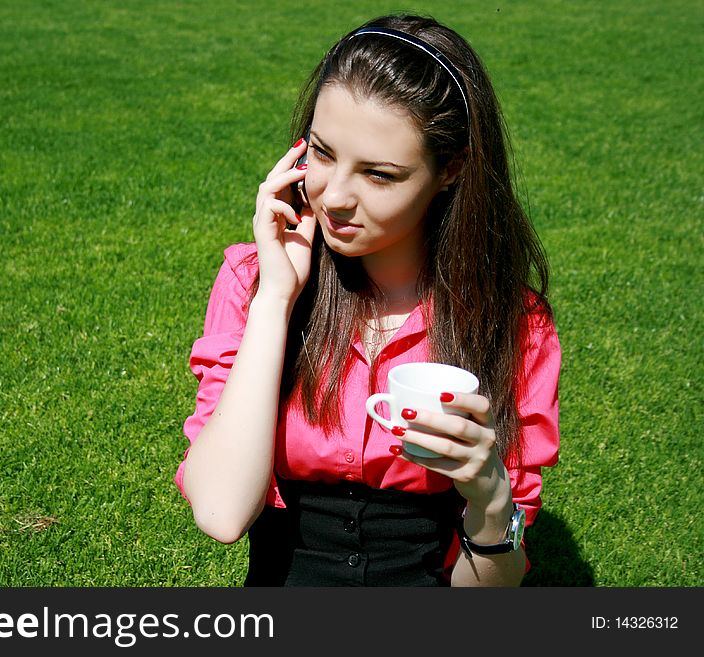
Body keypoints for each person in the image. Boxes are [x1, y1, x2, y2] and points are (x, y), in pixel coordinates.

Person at [175, 13, 560, 586]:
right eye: (323, 154)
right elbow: (222, 512)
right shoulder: (255, 280)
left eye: (379, 175)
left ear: (450, 170)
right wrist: (276, 300)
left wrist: (490, 500)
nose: (333, 197)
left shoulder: (511, 323)